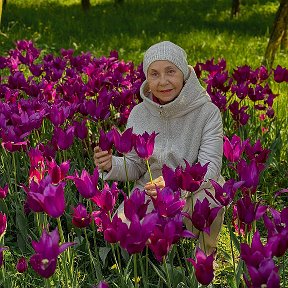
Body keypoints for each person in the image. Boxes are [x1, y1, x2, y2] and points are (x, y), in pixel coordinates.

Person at [94, 41, 224, 255]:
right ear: (147, 77)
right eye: (154, 74)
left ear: (183, 73)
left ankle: (204, 259)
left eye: (170, 71)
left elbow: (210, 168)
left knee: (212, 201)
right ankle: (159, 253)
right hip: (150, 190)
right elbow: (135, 164)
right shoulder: (139, 113)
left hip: (193, 191)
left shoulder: (207, 113)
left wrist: (175, 184)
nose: (163, 81)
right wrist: (112, 164)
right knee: (118, 230)